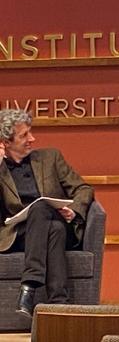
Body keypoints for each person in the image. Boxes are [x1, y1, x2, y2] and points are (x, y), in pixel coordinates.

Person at [0, 109, 94, 318]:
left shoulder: (50, 157)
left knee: (43, 209)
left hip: (59, 221)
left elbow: (83, 188)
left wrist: (74, 209)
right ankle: (59, 305)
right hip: (20, 235)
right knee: (55, 228)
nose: (32, 139)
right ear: (5, 142)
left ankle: (29, 287)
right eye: (24, 135)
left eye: (30, 132)